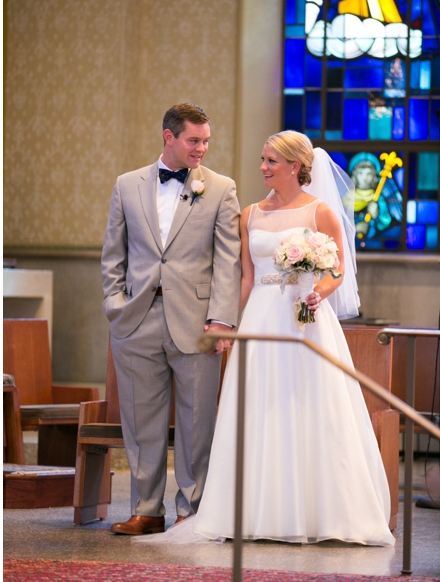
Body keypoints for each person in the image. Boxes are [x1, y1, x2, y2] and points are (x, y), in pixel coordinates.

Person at [135, 130, 392, 546]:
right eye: (262, 159)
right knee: (257, 409)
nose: (262, 168)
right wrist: (229, 325)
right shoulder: (250, 214)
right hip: (260, 318)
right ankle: (253, 511)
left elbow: (338, 271)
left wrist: (317, 292)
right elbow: (246, 279)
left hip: (304, 322)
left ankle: (317, 513)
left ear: (295, 166)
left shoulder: (320, 213)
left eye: (271, 161)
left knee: (309, 409)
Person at [101, 103, 241, 535]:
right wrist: (115, 305)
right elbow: (113, 255)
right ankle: (146, 509)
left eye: (205, 141)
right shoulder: (127, 185)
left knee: (197, 421)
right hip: (137, 318)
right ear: (168, 136)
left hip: (197, 322)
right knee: (142, 420)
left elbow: (228, 260)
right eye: (193, 140)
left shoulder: (220, 188)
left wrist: (221, 320)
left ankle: (190, 512)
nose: (201, 148)